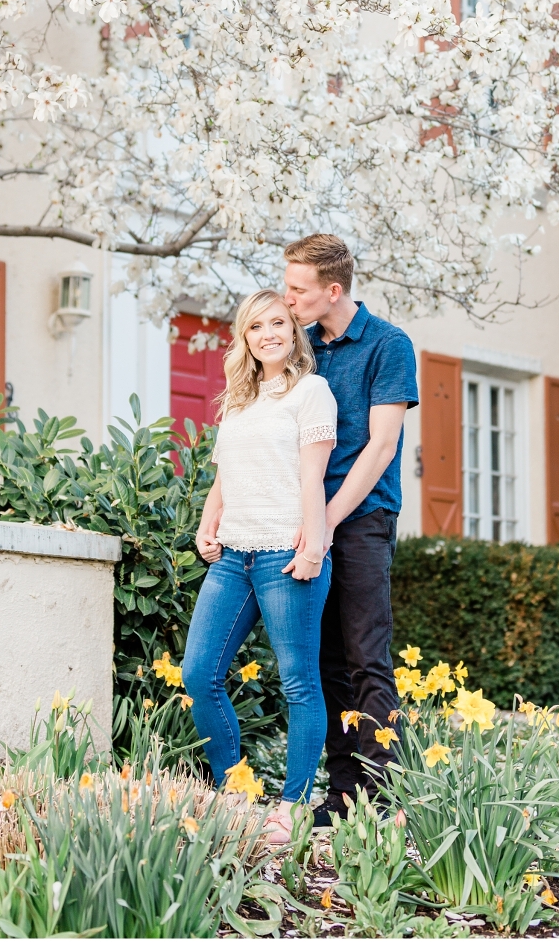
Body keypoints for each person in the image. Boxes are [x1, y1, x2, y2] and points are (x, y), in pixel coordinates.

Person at [183, 288, 337, 844]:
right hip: (233, 555)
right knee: (199, 674)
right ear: (244, 338)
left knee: (299, 682)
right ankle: (238, 792)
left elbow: (312, 476)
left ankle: (292, 805)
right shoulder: (240, 400)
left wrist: (313, 545)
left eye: (278, 323)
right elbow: (227, 473)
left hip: (284, 551)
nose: (268, 333)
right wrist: (209, 520)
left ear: (293, 332)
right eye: (255, 327)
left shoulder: (312, 392)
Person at [283, 234, 419, 825]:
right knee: (326, 659)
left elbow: (382, 444)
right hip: (308, 518)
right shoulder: (302, 349)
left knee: (366, 656)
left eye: (297, 290)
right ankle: (342, 794)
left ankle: (381, 797)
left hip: (361, 519)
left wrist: (329, 519)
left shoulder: (389, 345)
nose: (288, 301)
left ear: (331, 290)